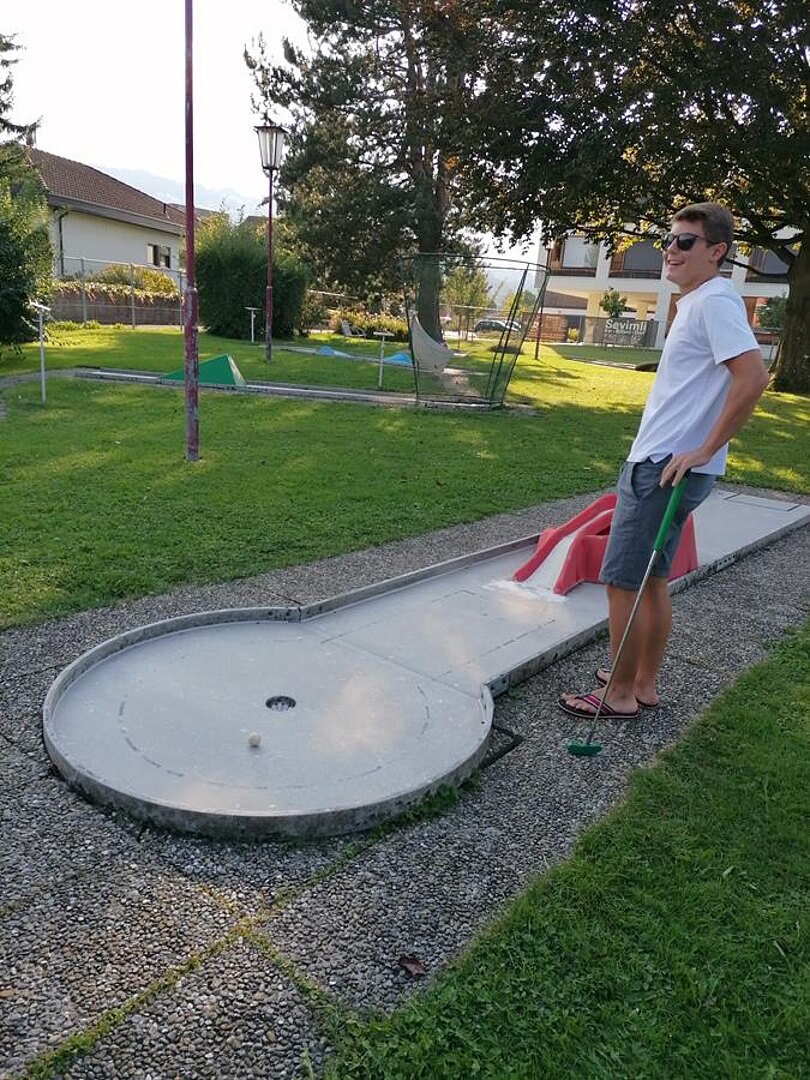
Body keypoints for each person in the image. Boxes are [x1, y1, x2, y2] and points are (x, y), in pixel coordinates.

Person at [559, 202, 770, 721]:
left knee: (622, 579)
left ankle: (619, 695)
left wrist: (704, 448)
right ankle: (642, 683)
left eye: (685, 242)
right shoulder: (702, 301)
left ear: (717, 251)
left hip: (663, 467)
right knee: (652, 578)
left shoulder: (714, 302)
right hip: (674, 466)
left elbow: (753, 377)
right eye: (669, 240)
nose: (670, 250)